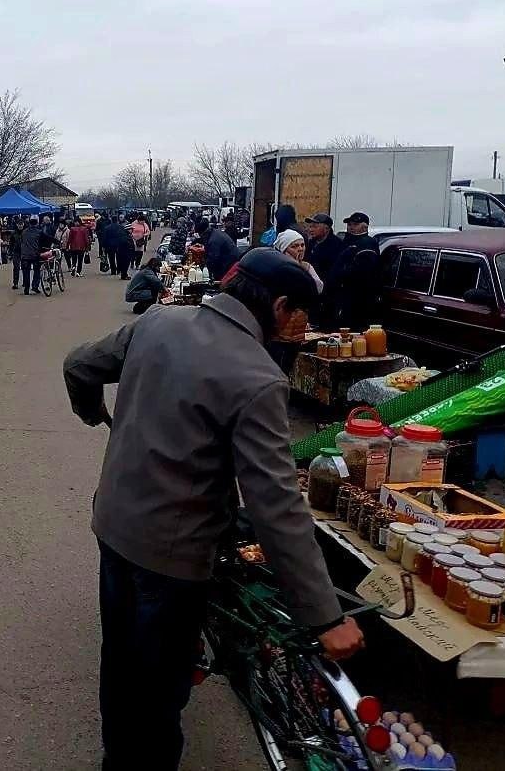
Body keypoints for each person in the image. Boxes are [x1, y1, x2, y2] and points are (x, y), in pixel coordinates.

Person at [63, 248, 362, 771]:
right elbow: (276, 507)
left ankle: (118, 754)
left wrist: (96, 415)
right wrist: (325, 616)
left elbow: (78, 365)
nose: (304, 326)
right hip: (172, 558)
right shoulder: (257, 377)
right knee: (160, 687)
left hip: (113, 525)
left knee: (122, 657)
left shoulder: (156, 323)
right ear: (280, 305)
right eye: (301, 314)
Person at [329, 212, 381, 331]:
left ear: (365, 227)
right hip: (343, 294)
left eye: (355, 224)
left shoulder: (367, 244)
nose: (351, 227)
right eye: (349, 224)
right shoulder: (348, 241)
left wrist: (343, 275)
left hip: (356, 297)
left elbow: (362, 273)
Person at [196, 217, 240, 281]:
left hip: (229, 267)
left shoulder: (213, 240)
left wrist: (201, 270)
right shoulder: (215, 232)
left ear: (203, 233)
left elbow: (212, 261)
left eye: (201, 236)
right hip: (231, 264)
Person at [20, 216, 47, 294]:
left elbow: (22, 241)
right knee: (37, 271)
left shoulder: (24, 232)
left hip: (25, 255)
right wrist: (58, 242)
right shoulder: (39, 232)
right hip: (35, 255)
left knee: (26, 272)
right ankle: (35, 287)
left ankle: (26, 289)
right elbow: (47, 238)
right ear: (37, 223)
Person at [8, 218, 25, 290]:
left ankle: (25, 282)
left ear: (23, 224)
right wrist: (10, 253)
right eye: (19, 224)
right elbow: (11, 243)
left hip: (25, 252)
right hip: (16, 252)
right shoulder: (14, 233)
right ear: (17, 225)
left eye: (21, 224)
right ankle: (15, 283)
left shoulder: (26, 232)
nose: (20, 226)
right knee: (16, 268)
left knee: (25, 268)